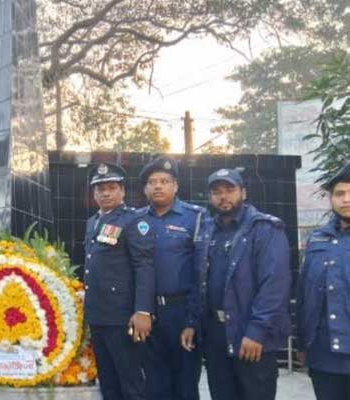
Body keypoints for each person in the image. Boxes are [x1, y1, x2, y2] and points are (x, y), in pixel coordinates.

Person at [196, 167, 291, 400]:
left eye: (230, 190)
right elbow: (200, 281)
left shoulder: (265, 228)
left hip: (250, 334)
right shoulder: (207, 230)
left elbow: (274, 285)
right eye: (217, 192)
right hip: (216, 336)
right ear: (210, 197)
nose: (223, 196)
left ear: (243, 193)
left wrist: (257, 331)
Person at [84, 162, 155, 400]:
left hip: (122, 317)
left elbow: (143, 266)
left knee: (131, 382)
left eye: (111, 187)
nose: (105, 193)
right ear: (94, 193)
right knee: (109, 382)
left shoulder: (132, 221)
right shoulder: (93, 222)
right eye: (100, 188)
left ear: (122, 191)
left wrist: (143, 311)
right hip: (98, 316)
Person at [137, 156, 203, 400]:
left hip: (181, 311)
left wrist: (192, 321)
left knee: (185, 386)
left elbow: (200, 274)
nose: (158, 186)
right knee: (154, 386)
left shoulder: (195, 217)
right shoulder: (137, 220)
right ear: (145, 189)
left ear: (175, 186)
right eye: (152, 182)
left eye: (164, 181)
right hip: (147, 313)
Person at [296, 162, 350, 400]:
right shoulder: (318, 238)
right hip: (324, 353)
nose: (346, 199)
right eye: (340, 193)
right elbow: (304, 294)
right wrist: (300, 342)